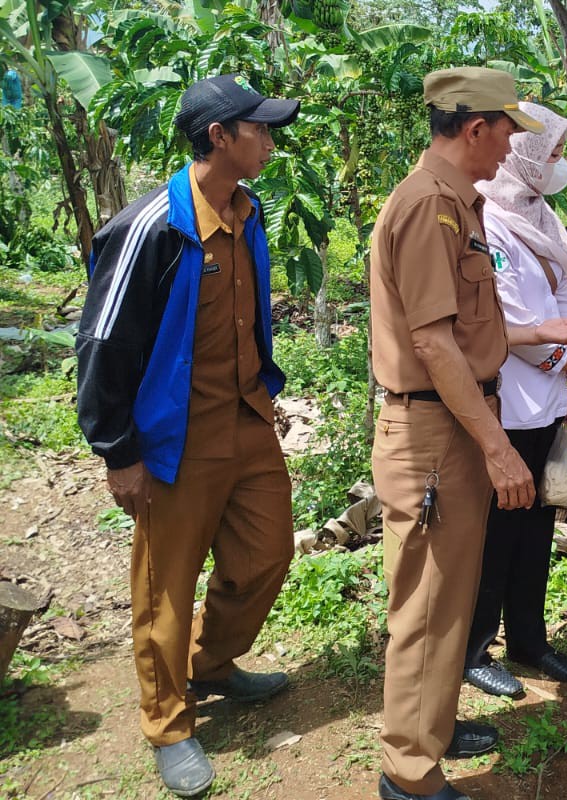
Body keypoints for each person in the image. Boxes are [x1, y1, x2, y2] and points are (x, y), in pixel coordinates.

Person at [368, 67, 567, 800]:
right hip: (435, 434)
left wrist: (542, 333)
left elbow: (470, 327)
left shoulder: (457, 205)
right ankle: (410, 772)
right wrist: (499, 446)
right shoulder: (427, 210)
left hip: (452, 430)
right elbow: (435, 346)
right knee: (430, 608)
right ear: (476, 129)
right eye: (507, 131)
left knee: (450, 597)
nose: (510, 149)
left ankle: (429, 729)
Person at [75, 74, 300, 797]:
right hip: (175, 436)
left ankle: (213, 664)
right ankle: (169, 723)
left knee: (267, 553)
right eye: (258, 130)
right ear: (218, 138)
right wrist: (119, 453)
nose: (269, 141)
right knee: (164, 588)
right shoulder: (153, 228)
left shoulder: (249, 210)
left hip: (245, 418)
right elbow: (103, 343)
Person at [462, 102, 567, 698]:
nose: (558, 163)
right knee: (497, 529)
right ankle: (474, 646)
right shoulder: (488, 217)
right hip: (508, 400)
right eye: (551, 152)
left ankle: (528, 636)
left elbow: (563, 297)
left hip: (547, 396)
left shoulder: (539, 213)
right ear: (522, 155)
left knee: (538, 524)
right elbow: (510, 321)